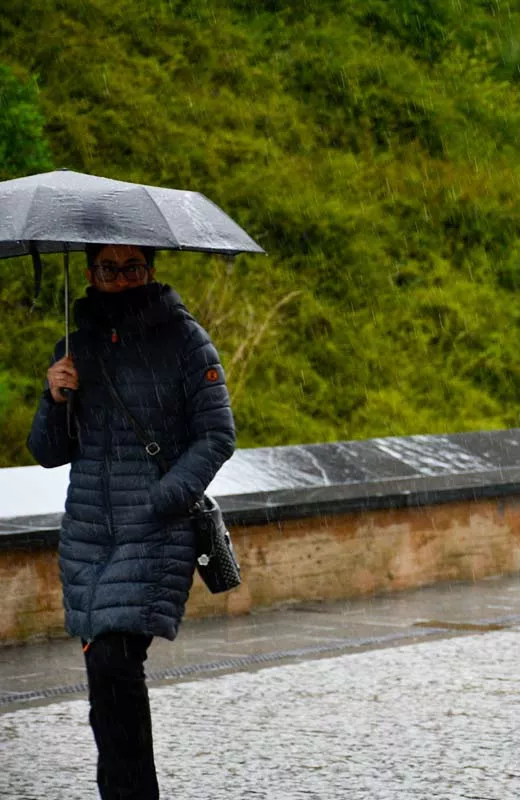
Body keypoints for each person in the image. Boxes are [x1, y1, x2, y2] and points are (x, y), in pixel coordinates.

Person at [27, 243, 235, 800]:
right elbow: (48, 451)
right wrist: (54, 395)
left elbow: (217, 435)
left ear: (151, 269)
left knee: (118, 663)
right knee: (106, 682)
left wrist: (164, 496)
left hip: (157, 530)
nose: (121, 279)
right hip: (90, 538)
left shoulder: (186, 341)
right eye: (108, 269)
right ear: (91, 273)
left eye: (133, 267)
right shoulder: (74, 350)